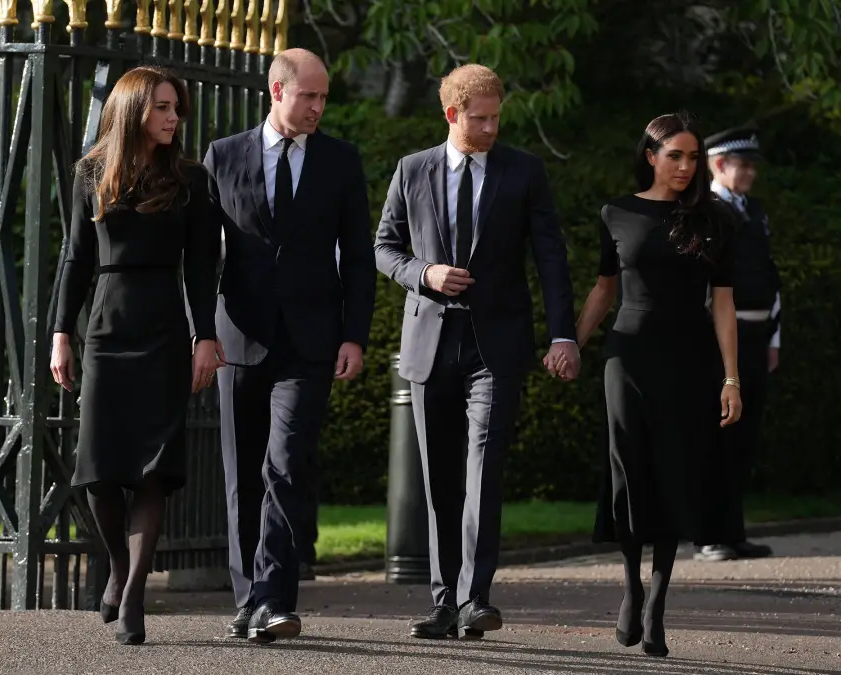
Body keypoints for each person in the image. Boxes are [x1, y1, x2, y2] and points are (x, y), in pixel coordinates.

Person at [374, 64, 579, 641]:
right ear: (452, 115)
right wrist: (425, 273)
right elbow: (383, 248)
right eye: (480, 118)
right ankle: (443, 601)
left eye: (496, 117)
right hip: (430, 343)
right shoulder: (412, 170)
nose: (491, 128)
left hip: (497, 346)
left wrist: (562, 334)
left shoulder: (525, 171)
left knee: (483, 472)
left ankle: (475, 598)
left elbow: (551, 257)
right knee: (440, 479)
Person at [203, 48, 375, 644]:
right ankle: (249, 599)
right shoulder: (223, 156)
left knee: (285, 461)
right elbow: (203, 256)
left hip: (310, 341)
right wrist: (202, 333)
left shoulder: (341, 161)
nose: (319, 108)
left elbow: (357, 257)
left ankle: (275, 598)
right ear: (277, 92)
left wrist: (355, 334)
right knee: (241, 472)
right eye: (310, 97)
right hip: (237, 337)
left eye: (324, 98)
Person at [50, 66, 223, 646]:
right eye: (163, 108)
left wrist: (205, 337)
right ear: (132, 111)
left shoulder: (191, 180)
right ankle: (119, 568)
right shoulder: (91, 173)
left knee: (153, 470)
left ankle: (132, 597)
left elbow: (201, 267)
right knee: (98, 470)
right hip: (105, 328)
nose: (175, 117)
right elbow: (75, 259)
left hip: (164, 332)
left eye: (177, 108)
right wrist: (60, 333)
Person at [574, 112, 742, 657]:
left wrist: (731, 378)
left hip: (690, 362)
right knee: (628, 469)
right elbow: (603, 290)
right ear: (650, 155)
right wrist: (569, 343)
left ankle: (657, 602)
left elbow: (723, 302)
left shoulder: (713, 218)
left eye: (693, 158)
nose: (685, 167)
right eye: (675, 156)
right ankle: (629, 584)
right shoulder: (616, 213)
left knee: (674, 470)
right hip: (627, 357)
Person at [693, 127, 779, 562]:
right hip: (719, 336)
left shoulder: (753, 211)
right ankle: (708, 534)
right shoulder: (704, 211)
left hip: (756, 333)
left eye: (752, 165)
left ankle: (732, 530)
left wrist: (774, 337)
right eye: (742, 164)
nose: (749, 173)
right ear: (720, 164)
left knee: (744, 438)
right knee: (717, 434)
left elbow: (770, 275)